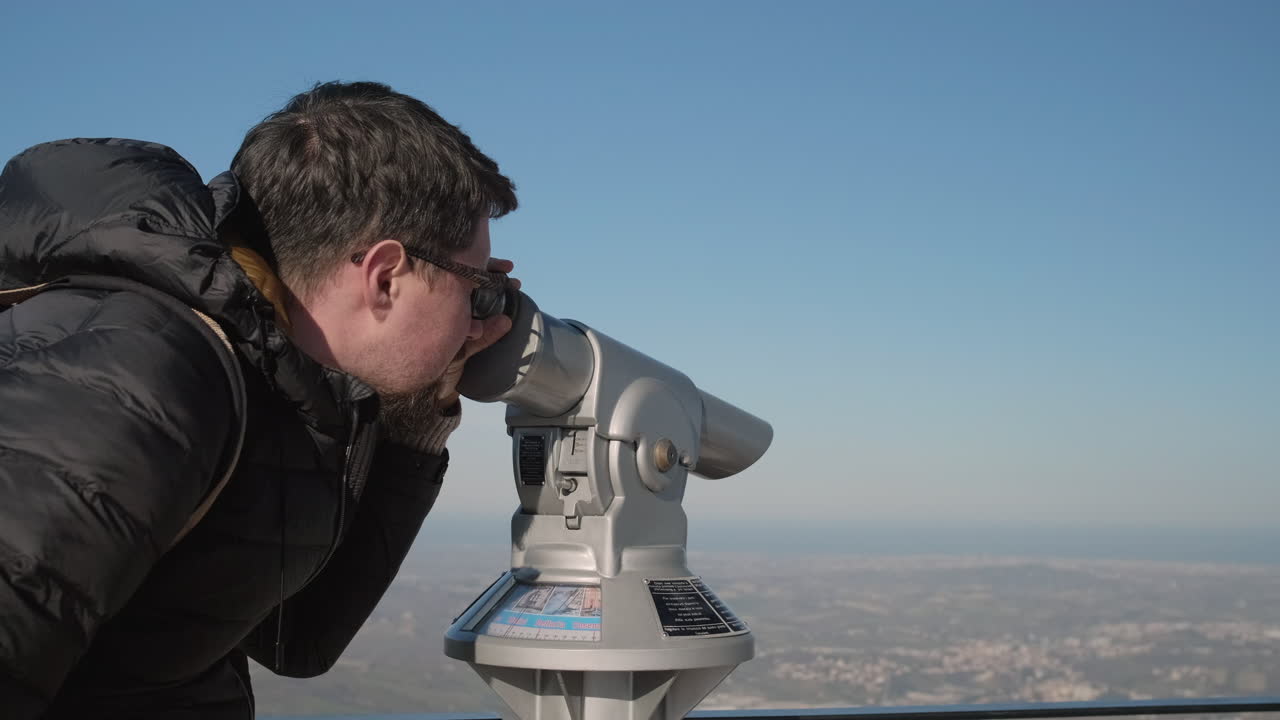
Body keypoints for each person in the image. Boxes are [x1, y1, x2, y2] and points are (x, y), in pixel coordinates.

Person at [0, 80, 518, 719]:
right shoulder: (141, 377)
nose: (478, 320)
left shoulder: (280, 387)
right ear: (386, 278)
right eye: (476, 287)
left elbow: (297, 640)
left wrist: (413, 421)